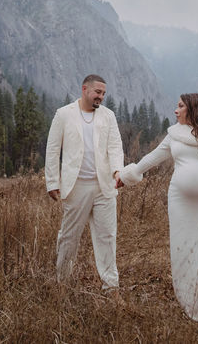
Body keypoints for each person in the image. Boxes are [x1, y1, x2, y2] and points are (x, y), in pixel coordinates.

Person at [115, 92, 198, 325]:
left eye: (180, 106)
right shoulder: (174, 135)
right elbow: (152, 158)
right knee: (184, 251)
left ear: (192, 109)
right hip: (179, 202)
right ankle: (194, 302)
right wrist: (126, 175)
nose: (175, 110)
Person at [45, 74, 125, 290]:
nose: (101, 97)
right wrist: (52, 182)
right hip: (76, 186)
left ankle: (111, 286)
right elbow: (53, 149)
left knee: (107, 237)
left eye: (103, 94)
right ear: (84, 89)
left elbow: (115, 146)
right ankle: (62, 282)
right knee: (69, 236)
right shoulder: (64, 115)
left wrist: (118, 171)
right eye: (97, 92)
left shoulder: (108, 116)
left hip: (104, 186)